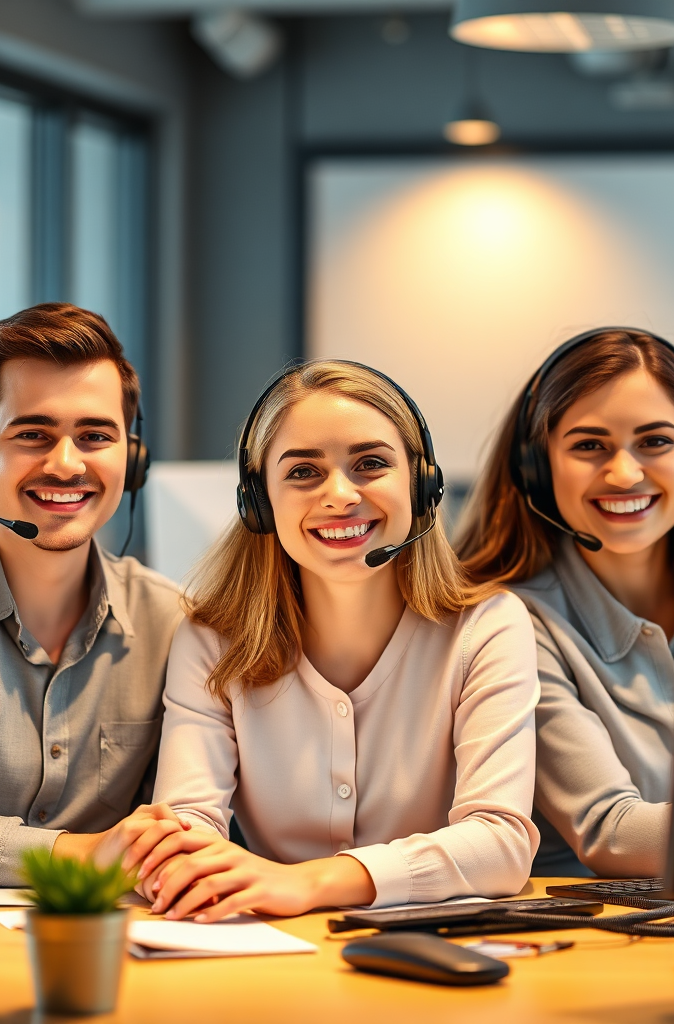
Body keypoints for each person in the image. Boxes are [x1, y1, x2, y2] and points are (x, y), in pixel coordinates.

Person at [138, 360, 539, 921]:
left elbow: (500, 843)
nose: (341, 495)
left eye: (371, 464)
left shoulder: (489, 626)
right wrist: (183, 860)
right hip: (271, 953)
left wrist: (308, 883)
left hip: (430, 950)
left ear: (421, 484)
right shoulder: (212, 639)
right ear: (258, 502)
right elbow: (185, 825)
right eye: (303, 472)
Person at [455, 328, 674, 879]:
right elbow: (611, 831)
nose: (625, 473)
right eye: (589, 445)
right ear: (537, 469)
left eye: (655, 441)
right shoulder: (511, 622)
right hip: (598, 936)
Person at [0, 303, 186, 886]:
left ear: (132, 458)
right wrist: (73, 852)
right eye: (33, 434)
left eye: (95, 435)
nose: (66, 464)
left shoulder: (170, 621)